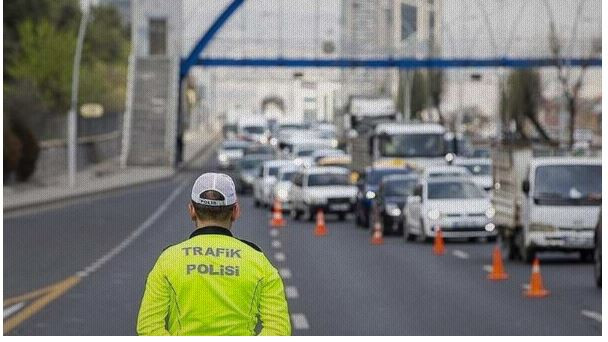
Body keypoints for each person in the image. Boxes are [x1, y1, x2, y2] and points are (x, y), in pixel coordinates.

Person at [137, 172, 291, 335]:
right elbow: (278, 329)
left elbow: (148, 326)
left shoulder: (168, 260)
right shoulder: (258, 262)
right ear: (235, 211)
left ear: (191, 210)